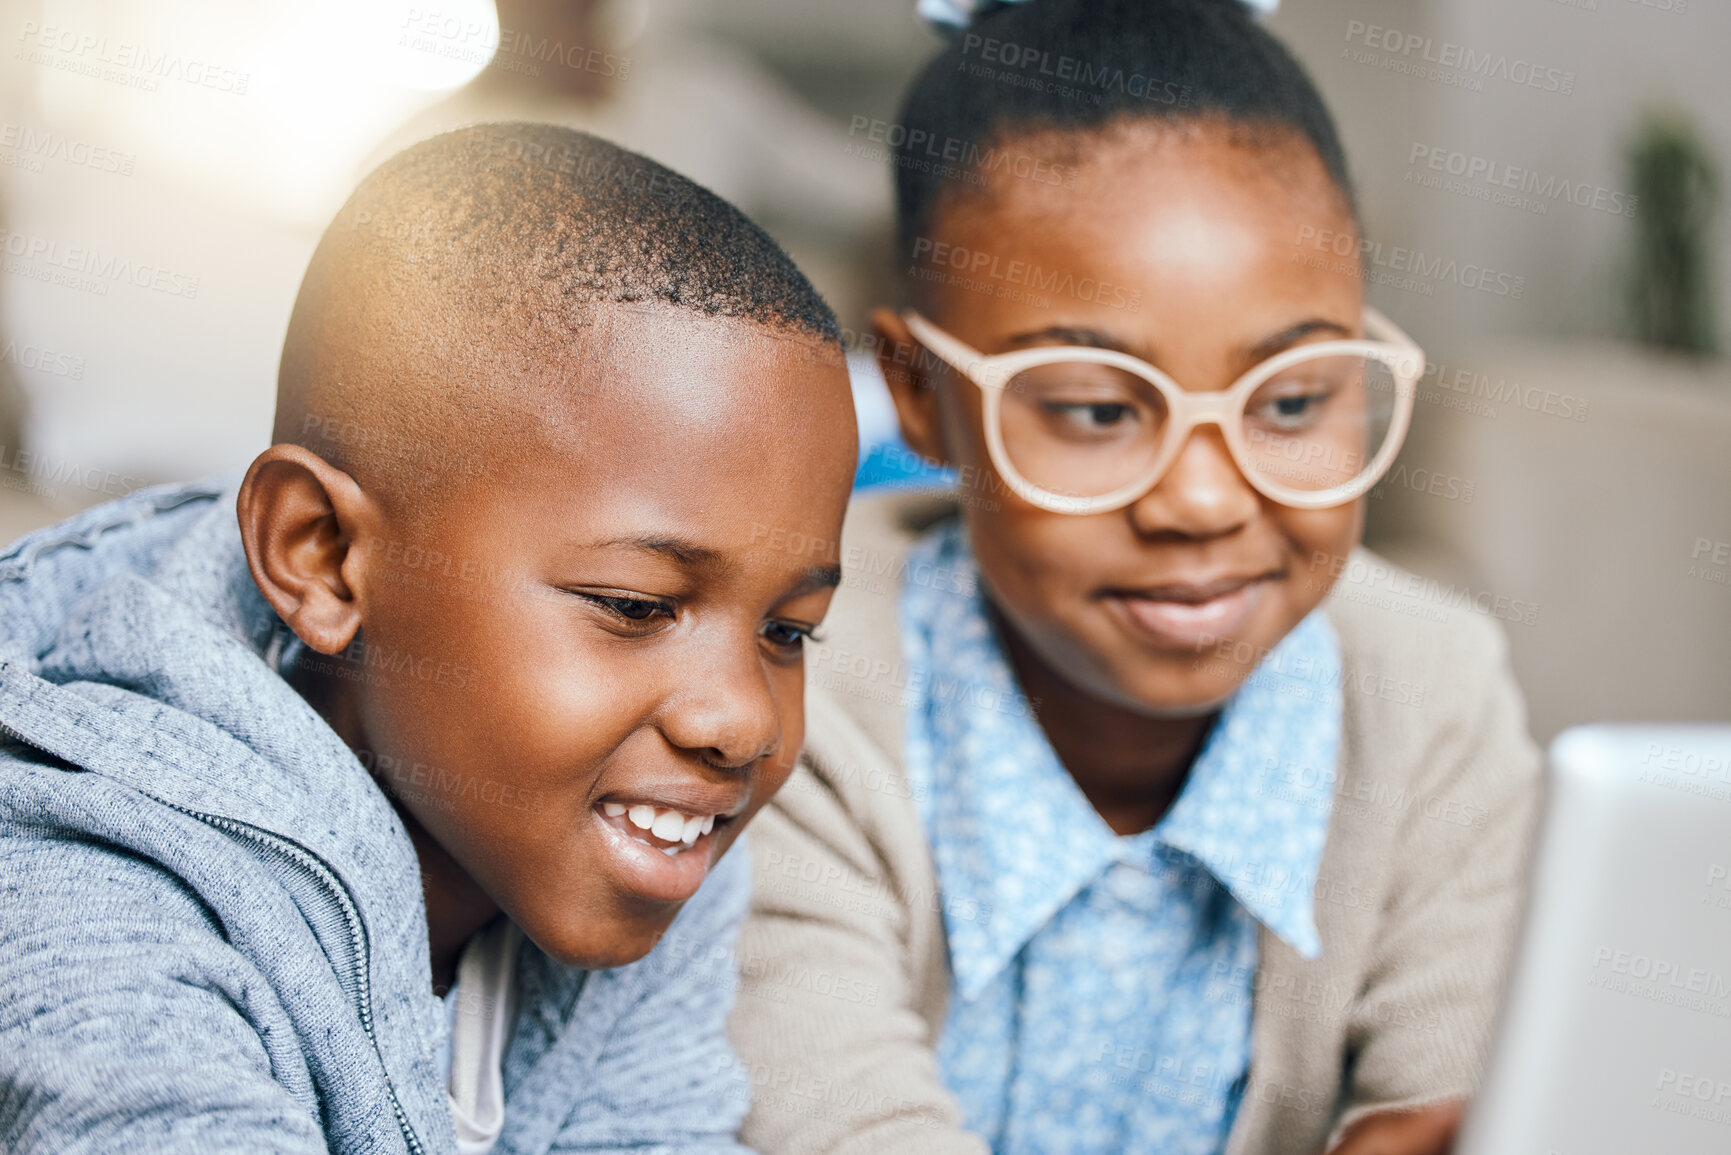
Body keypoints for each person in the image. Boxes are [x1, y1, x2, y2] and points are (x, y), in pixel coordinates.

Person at [727, 2, 1540, 1154]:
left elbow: (1458, 1112)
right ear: (921, 395)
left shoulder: (1433, 691)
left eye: (1294, 399)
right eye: (1098, 409)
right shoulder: (783, 696)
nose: (1203, 502)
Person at [0, 123, 857, 1153]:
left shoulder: (641, 852)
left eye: (788, 630)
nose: (742, 721)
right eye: (634, 605)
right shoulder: (89, 918)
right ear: (320, 559)